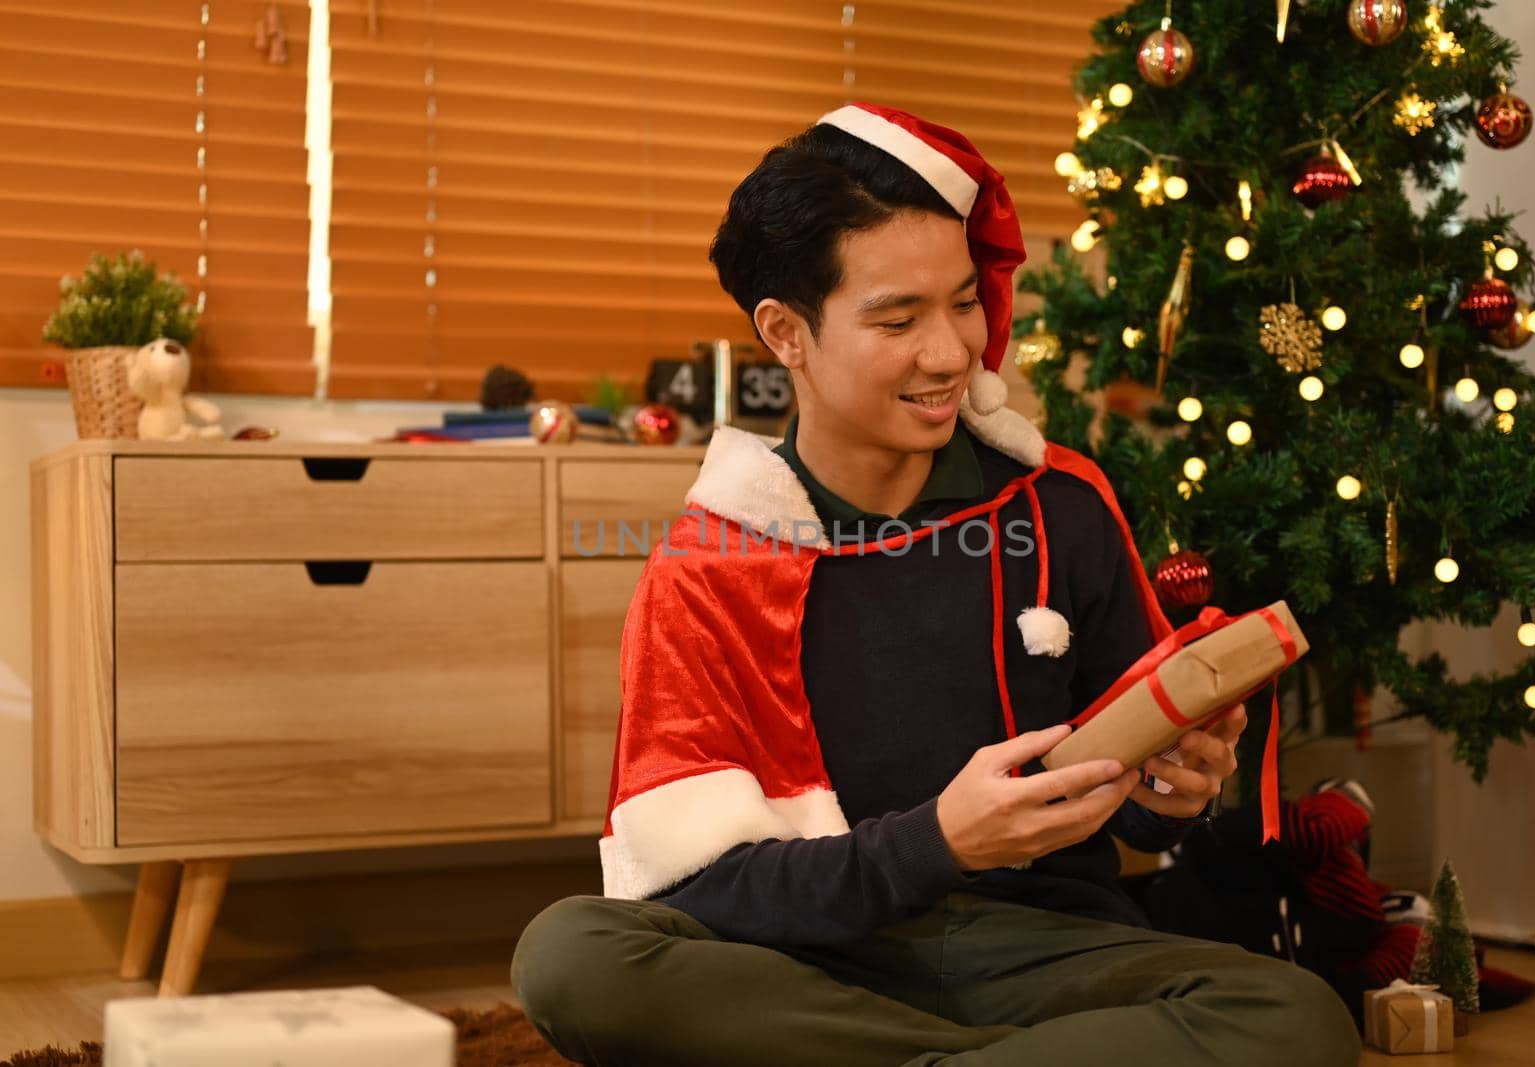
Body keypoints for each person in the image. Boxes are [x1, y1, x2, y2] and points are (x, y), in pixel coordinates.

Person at [512, 101, 1360, 1066]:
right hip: (805, 961)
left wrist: (1175, 786)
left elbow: (1124, 793)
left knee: (1295, 1017)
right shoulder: (711, 566)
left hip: (1041, 948)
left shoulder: (1059, 504)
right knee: (571, 954)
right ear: (787, 333)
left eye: (962, 302)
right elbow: (694, 887)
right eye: (898, 318)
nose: (953, 352)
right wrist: (936, 843)